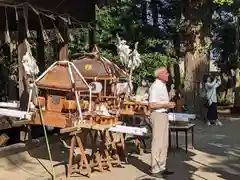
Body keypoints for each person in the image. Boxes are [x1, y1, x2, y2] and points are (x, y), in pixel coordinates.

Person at [148, 67, 176, 178]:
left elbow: (161, 101)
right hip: (158, 115)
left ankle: (162, 167)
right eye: (166, 73)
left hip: (164, 115)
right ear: (159, 75)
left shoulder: (163, 85)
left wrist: (169, 98)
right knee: (157, 143)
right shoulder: (155, 86)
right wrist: (167, 105)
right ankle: (155, 169)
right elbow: (152, 104)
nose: (168, 74)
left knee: (164, 143)